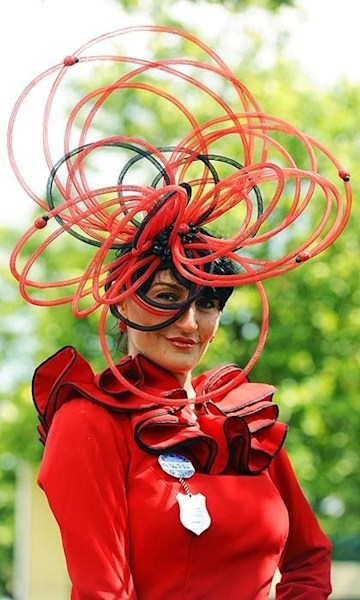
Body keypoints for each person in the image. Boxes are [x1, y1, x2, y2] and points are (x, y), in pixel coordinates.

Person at [8, 26, 351, 600]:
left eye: (209, 302)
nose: (192, 323)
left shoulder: (247, 422)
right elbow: (101, 592)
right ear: (120, 304)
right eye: (168, 297)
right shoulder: (90, 425)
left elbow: (310, 559)